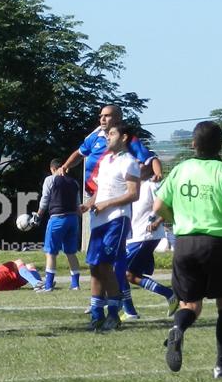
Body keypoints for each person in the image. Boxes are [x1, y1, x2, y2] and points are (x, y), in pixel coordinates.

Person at [154, 121, 222, 379]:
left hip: (185, 244)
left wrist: (174, 218)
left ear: (193, 144)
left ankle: (178, 329)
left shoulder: (180, 170)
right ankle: (220, 365)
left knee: (190, 303)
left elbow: (158, 205)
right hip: (217, 244)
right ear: (221, 145)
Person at [82, 123, 140, 331]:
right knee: (94, 267)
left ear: (124, 137)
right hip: (99, 220)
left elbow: (134, 194)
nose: (107, 137)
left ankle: (113, 315)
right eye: (106, 134)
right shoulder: (105, 160)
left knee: (106, 266)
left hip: (117, 219)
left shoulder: (130, 162)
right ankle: (97, 315)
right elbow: (102, 190)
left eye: (112, 133)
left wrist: (107, 204)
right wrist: (88, 204)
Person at [121, 164, 178, 320]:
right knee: (131, 276)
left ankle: (127, 310)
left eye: (143, 163)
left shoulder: (152, 185)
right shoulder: (134, 185)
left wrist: (158, 221)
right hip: (135, 236)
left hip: (146, 236)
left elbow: (167, 205)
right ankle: (170, 294)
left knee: (119, 270)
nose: (138, 165)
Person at [33, 158, 81, 292]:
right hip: (73, 219)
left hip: (57, 219)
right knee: (71, 253)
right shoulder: (74, 182)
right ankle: (75, 284)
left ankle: (48, 285)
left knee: (51, 252)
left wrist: (38, 215)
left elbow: (45, 199)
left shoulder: (50, 179)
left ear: (52, 169)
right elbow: (78, 205)